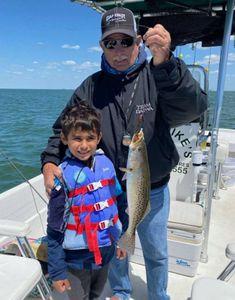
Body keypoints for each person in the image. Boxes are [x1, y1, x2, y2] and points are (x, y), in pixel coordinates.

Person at [41, 6, 207, 300]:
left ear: (139, 41)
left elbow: (192, 109)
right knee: (115, 247)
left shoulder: (158, 74)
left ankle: (159, 295)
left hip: (150, 188)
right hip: (107, 190)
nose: (119, 50)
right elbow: (63, 131)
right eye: (111, 43)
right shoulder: (90, 87)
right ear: (102, 46)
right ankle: (121, 292)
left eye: (126, 41)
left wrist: (167, 64)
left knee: (156, 251)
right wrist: (50, 160)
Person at [47, 101, 126, 300]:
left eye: (90, 138)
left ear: (99, 138)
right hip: (77, 261)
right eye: (77, 138)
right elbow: (55, 229)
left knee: (97, 294)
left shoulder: (106, 164)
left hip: (106, 251)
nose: (84, 145)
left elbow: (119, 205)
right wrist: (57, 271)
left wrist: (122, 240)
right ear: (64, 138)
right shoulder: (63, 176)